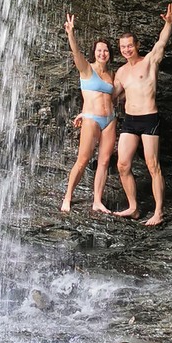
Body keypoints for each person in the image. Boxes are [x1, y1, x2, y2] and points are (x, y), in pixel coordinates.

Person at [113, 4, 172, 227]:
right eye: (123, 47)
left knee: (153, 166)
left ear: (137, 45)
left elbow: (161, 44)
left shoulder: (149, 62)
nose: (127, 50)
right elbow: (108, 95)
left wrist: (168, 24)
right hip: (130, 120)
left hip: (149, 118)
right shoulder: (121, 72)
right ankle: (133, 207)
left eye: (130, 45)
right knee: (122, 165)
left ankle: (158, 212)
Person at [60, 12, 117, 216]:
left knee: (103, 161)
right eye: (99, 50)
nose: (103, 53)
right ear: (94, 53)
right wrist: (71, 34)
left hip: (109, 120)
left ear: (109, 53)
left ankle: (97, 201)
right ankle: (67, 197)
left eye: (106, 50)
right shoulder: (87, 69)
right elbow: (76, 54)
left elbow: (118, 96)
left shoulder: (112, 74)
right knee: (83, 160)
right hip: (92, 119)